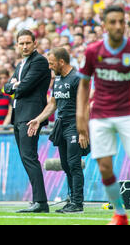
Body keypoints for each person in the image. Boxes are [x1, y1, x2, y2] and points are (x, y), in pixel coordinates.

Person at [76, 5, 130, 225]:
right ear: (105, 25)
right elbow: (83, 84)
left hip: (128, 113)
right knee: (105, 167)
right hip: (100, 115)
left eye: (122, 22)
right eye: (113, 22)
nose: (118, 26)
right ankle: (120, 213)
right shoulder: (93, 51)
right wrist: (81, 115)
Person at [27, 47, 89, 213]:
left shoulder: (77, 79)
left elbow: (85, 105)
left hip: (75, 125)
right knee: (66, 164)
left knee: (74, 164)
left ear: (62, 62)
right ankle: (72, 199)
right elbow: (53, 103)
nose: (49, 66)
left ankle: (78, 203)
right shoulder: (59, 80)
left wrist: (83, 131)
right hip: (61, 126)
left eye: (52, 63)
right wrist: (38, 119)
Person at [3, 29, 51, 213]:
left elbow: (23, 87)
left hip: (31, 116)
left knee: (29, 158)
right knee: (27, 158)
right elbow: (7, 87)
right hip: (19, 115)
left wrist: (15, 85)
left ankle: (41, 202)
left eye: (27, 43)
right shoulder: (22, 63)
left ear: (34, 44)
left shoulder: (39, 61)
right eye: (21, 43)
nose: (24, 46)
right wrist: (13, 86)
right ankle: (38, 200)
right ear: (17, 45)